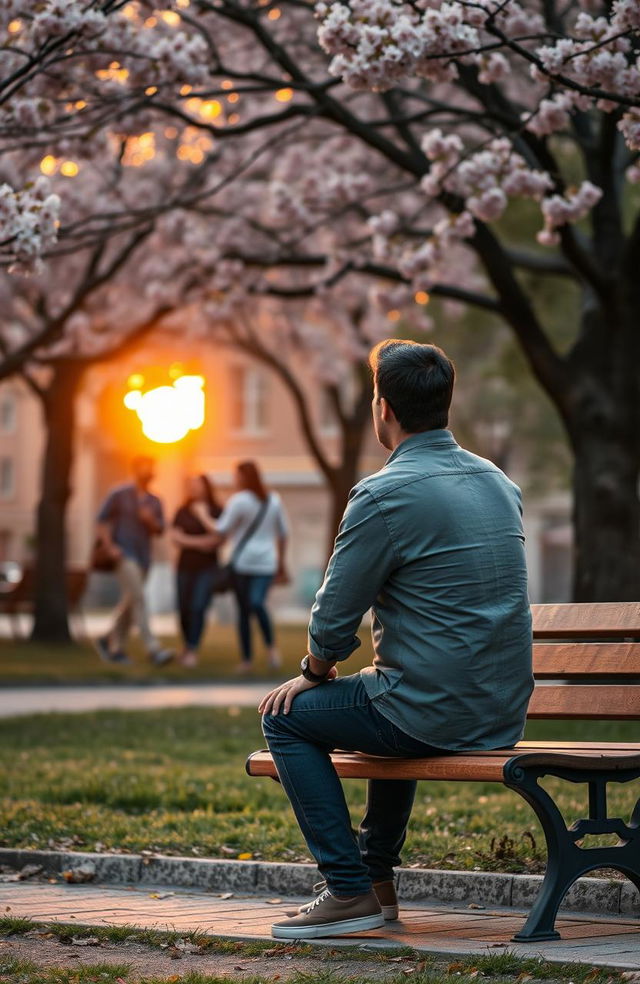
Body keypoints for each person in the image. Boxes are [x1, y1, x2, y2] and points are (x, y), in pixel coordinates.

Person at [258, 339, 533, 941]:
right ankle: (376, 877)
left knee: (286, 718)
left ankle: (349, 889)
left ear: (382, 407)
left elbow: (334, 615)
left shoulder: (384, 493)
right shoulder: (498, 483)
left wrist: (313, 669)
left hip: (430, 711)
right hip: (501, 713)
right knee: (384, 699)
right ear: (445, 403)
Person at [204, 460, 289, 673]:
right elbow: (283, 534)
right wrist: (281, 561)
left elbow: (220, 529)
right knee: (244, 610)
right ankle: (247, 660)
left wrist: (201, 515)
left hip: (255, 564)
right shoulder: (271, 499)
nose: (234, 479)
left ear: (242, 477)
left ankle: (270, 650)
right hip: (250, 564)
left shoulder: (243, 500)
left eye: (236, 475)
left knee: (255, 603)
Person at [94, 456, 174, 666]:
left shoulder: (155, 500)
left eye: (151, 469)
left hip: (144, 558)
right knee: (139, 597)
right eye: (145, 468)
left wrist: (150, 520)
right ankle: (152, 648)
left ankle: (107, 640)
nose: (148, 472)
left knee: (131, 601)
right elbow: (101, 521)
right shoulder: (119, 494)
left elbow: (160, 530)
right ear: (136, 469)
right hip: (123, 555)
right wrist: (110, 546)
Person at [171, 474, 222, 668]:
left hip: (207, 568)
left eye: (197, 485)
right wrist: (201, 542)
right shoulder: (182, 511)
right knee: (183, 608)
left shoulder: (217, 510)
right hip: (184, 567)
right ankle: (186, 645)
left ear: (206, 487)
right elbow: (175, 538)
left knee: (198, 606)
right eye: (190, 485)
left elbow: (218, 539)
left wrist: (201, 516)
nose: (193, 489)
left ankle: (192, 649)